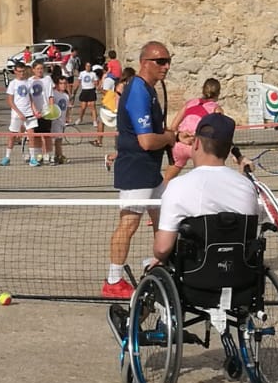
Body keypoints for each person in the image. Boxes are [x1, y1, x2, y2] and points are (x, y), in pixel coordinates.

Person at [103, 41, 179, 299]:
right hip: (137, 169)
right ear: (145, 62)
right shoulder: (138, 91)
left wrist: (174, 136)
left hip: (149, 170)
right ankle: (113, 280)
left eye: (168, 61)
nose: (166, 66)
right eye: (161, 61)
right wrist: (169, 139)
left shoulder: (148, 90)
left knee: (165, 216)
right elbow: (146, 141)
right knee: (129, 223)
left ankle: (161, 262)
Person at [151, 113, 266, 266]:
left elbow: (162, 248)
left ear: (196, 143)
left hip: (195, 279)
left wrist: (159, 255)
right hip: (240, 275)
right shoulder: (247, 186)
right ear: (227, 149)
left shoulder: (177, 186)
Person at [163, 77, 223, 185]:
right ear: (218, 93)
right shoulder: (215, 108)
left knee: (167, 179)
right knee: (206, 179)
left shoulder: (190, 103)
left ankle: (162, 198)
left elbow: (173, 127)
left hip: (180, 144)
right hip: (197, 146)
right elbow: (220, 132)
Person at [1, 62, 37, 166]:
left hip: (29, 113)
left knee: (32, 135)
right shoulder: (13, 84)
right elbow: (10, 101)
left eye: (23, 71)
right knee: (12, 136)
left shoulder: (28, 83)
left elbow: (30, 99)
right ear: (15, 71)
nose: (22, 73)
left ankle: (33, 158)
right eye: (19, 71)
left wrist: (34, 110)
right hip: (17, 114)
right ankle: (7, 157)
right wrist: (19, 113)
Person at [75, 61, 99, 126]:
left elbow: (96, 82)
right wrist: (75, 90)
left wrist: (96, 85)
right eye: (87, 66)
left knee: (93, 106)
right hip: (84, 90)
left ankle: (94, 120)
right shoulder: (82, 73)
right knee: (83, 107)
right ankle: (80, 118)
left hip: (91, 90)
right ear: (85, 67)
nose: (88, 67)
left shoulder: (93, 74)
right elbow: (78, 82)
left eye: (89, 66)